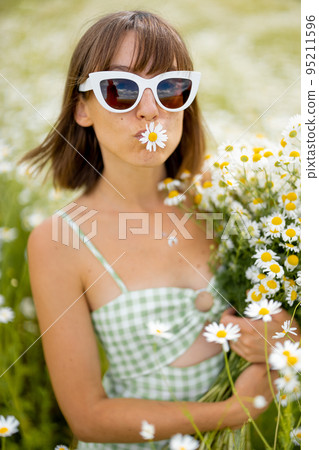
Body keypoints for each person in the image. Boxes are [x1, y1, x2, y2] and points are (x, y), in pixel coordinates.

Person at [20, 10, 291, 449]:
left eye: (170, 88)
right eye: (120, 89)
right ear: (82, 108)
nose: (150, 110)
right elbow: (88, 416)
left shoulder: (226, 199)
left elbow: (290, 310)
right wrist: (229, 413)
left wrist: (286, 337)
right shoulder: (60, 239)